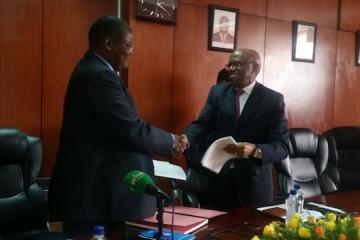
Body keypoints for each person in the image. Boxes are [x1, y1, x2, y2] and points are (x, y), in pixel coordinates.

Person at [48, 16, 189, 237]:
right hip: (93, 195)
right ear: (108, 43)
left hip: (100, 194)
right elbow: (131, 129)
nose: (132, 51)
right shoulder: (98, 75)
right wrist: (172, 140)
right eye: (128, 44)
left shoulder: (95, 70)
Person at [185, 48, 289, 210]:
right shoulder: (218, 92)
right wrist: (185, 139)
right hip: (219, 180)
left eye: (237, 64)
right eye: (230, 65)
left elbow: (282, 146)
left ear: (254, 68)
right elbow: (202, 125)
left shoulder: (272, 100)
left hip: (254, 185)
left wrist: (255, 150)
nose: (231, 68)